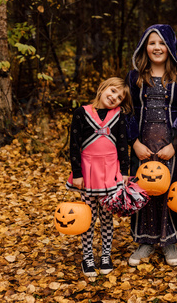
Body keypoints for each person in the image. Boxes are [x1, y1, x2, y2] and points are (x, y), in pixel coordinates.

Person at [125, 24, 177, 267]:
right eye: (152, 42)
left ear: (171, 47)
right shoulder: (135, 77)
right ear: (145, 46)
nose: (157, 47)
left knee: (169, 192)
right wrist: (134, 143)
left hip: (169, 147)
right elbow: (128, 112)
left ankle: (169, 242)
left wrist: (176, 145)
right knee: (143, 191)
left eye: (162, 43)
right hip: (143, 145)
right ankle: (145, 242)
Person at [65, 77, 132, 277]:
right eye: (112, 91)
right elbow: (74, 145)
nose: (114, 97)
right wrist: (77, 173)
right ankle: (87, 256)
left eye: (119, 97)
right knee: (88, 217)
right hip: (88, 171)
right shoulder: (81, 113)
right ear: (102, 88)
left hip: (111, 171)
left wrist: (125, 171)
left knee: (106, 217)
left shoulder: (119, 115)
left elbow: (123, 144)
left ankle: (105, 255)